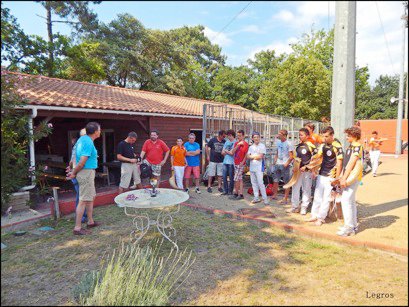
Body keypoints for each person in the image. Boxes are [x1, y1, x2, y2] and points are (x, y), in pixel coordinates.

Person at [67, 122, 101, 235]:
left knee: (90, 197)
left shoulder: (83, 139)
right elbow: (82, 162)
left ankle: (90, 221)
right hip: (85, 172)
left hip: (88, 172)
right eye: (99, 129)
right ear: (95, 131)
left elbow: (75, 156)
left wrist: (72, 168)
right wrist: (74, 172)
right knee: (83, 200)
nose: (100, 131)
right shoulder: (87, 142)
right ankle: (77, 228)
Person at [307, 126, 343, 226]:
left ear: (332, 135)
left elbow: (340, 163)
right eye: (323, 136)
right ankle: (314, 215)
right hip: (322, 173)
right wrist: (311, 161)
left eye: (326, 136)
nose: (324, 138)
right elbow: (317, 156)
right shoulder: (323, 146)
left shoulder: (337, 146)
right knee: (317, 195)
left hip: (331, 176)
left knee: (326, 198)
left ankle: (321, 218)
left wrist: (337, 178)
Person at [336, 126, 363, 236]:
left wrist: (343, 178)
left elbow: (351, 163)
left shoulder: (357, 147)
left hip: (352, 177)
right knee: (350, 201)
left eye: (349, 135)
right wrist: (341, 176)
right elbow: (347, 163)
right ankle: (352, 225)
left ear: (355, 136)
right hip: (348, 176)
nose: (346, 137)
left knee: (346, 200)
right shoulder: (351, 146)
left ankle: (349, 227)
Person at [286, 128, 317, 215]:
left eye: (302, 135)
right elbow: (296, 158)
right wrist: (295, 166)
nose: (300, 136)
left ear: (307, 136)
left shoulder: (312, 146)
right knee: (295, 187)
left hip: (307, 171)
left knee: (306, 189)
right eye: (299, 135)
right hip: (298, 171)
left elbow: (315, 159)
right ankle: (295, 206)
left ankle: (304, 207)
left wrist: (307, 167)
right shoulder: (299, 146)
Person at [67, 128, 87, 223]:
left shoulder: (77, 146)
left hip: (76, 173)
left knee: (82, 196)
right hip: (78, 174)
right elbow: (76, 161)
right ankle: (81, 217)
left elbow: (71, 161)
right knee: (81, 197)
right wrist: (73, 172)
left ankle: (84, 215)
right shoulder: (81, 146)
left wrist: (71, 168)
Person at [272, 129, 294, 204]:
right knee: (275, 179)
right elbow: (277, 152)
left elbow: (291, 156)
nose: (278, 135)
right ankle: (275, 195)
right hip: (278, 163)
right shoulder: (278, 142)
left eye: (280, 134)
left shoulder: (289, 144)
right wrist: (275, 160)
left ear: (284, 136)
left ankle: (285, 198)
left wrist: (287, 163)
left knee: (286, 181)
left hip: (285, 165)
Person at [247, 132, 269, 205]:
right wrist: (255, 157)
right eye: (255, 137)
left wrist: (252, 157)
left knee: (260, 183)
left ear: (259, 138)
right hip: (252, 167)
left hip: (259, 167)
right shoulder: (251, 147)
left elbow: (260, 157)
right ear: (252, 138)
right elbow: (247, 156)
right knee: (254, 183)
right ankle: (256, 197)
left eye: (257, 137)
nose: (256, 138)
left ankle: (265, 199)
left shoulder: (262, 146)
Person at [229, 130, 249, 200]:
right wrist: (238, 145)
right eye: (238, 136)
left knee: (236, 178)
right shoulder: (236, 143)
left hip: (240, 164)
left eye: (240, 136)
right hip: (236, 162)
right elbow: (232, 152)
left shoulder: (246, 144)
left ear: (243, 136)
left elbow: (246, 154)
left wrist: (243, 162)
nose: (238, 137)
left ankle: (236, 193)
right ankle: (240, 194)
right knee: (239, 179)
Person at [221, 130, 236, 195]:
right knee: (224, 177)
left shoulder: (235, 142)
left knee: (231, 177)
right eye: (228, 136)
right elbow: (222, 152)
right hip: (225, 162)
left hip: (231, 162)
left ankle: (230, 191)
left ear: (233, 135)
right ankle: (225, 190)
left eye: (230, 136)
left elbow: (232, 153)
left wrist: (226, 151)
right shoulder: (226, 142)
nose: (229, 137)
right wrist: (228, 152)